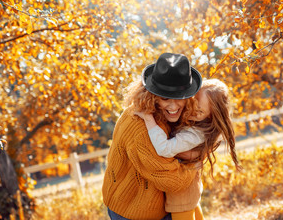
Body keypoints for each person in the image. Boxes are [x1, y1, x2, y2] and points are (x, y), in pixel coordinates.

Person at [102, 53, 203, 220]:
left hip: (146, 204)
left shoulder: (158, 114)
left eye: (180, 98)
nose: (173, 106)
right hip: (133, 211)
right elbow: (171, 180)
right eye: (165, 98)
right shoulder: (141, 127)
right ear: (152, 95)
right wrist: (194, 165)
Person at [136, 78, 242, 220]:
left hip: (182, 193)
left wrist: (148, 119)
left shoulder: (196, 134)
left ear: (210, 116)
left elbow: (164, 149)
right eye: (192, 103)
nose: (192, 111)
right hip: (187, 189)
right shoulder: (189, 119)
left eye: (199, 111)